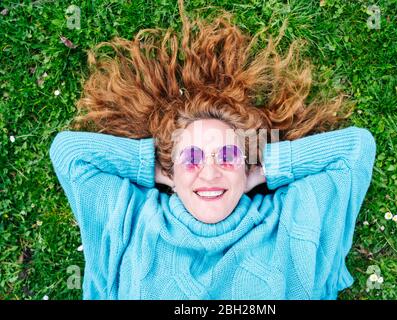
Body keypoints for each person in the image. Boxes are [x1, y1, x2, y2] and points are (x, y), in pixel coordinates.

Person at [49, 0, 376, 299]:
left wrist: (262, 172)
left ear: (246, 164)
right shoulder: (129, 220)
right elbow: (69, 153)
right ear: (170, 168)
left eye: (228, 156)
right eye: (190, 158)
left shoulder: (292, 221)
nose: (209, 172)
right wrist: (160, 172)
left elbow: (355, 150)